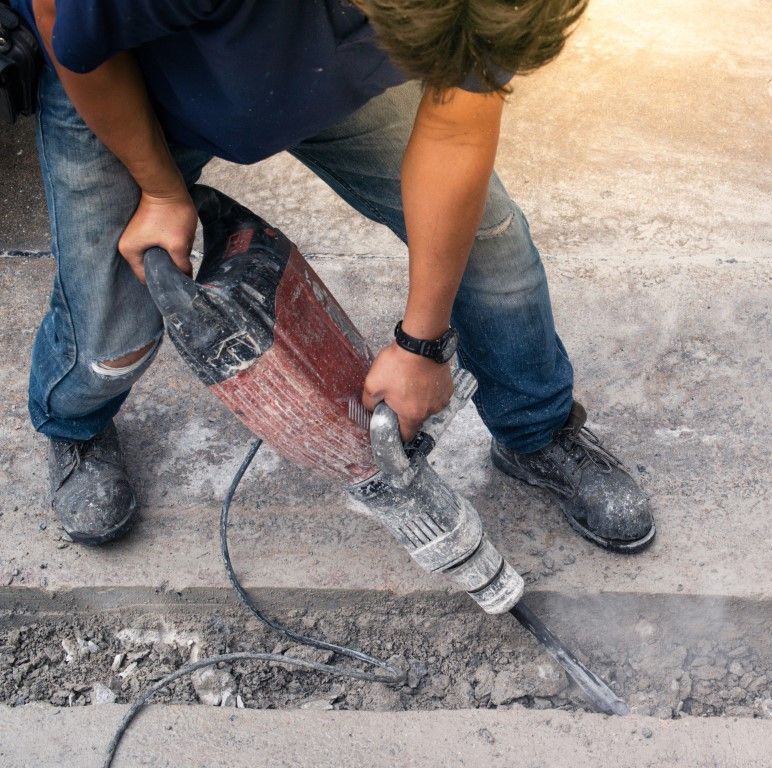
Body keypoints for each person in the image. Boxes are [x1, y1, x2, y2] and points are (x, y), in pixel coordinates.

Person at [14, 0, 655, 553]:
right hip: (130, 72)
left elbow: (458, 127)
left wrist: (421, 345)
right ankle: (76, 427)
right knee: (110, 332)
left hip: (317, 63)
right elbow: (60, 18)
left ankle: (536, 432)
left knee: (489, 249)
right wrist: (157, 188)